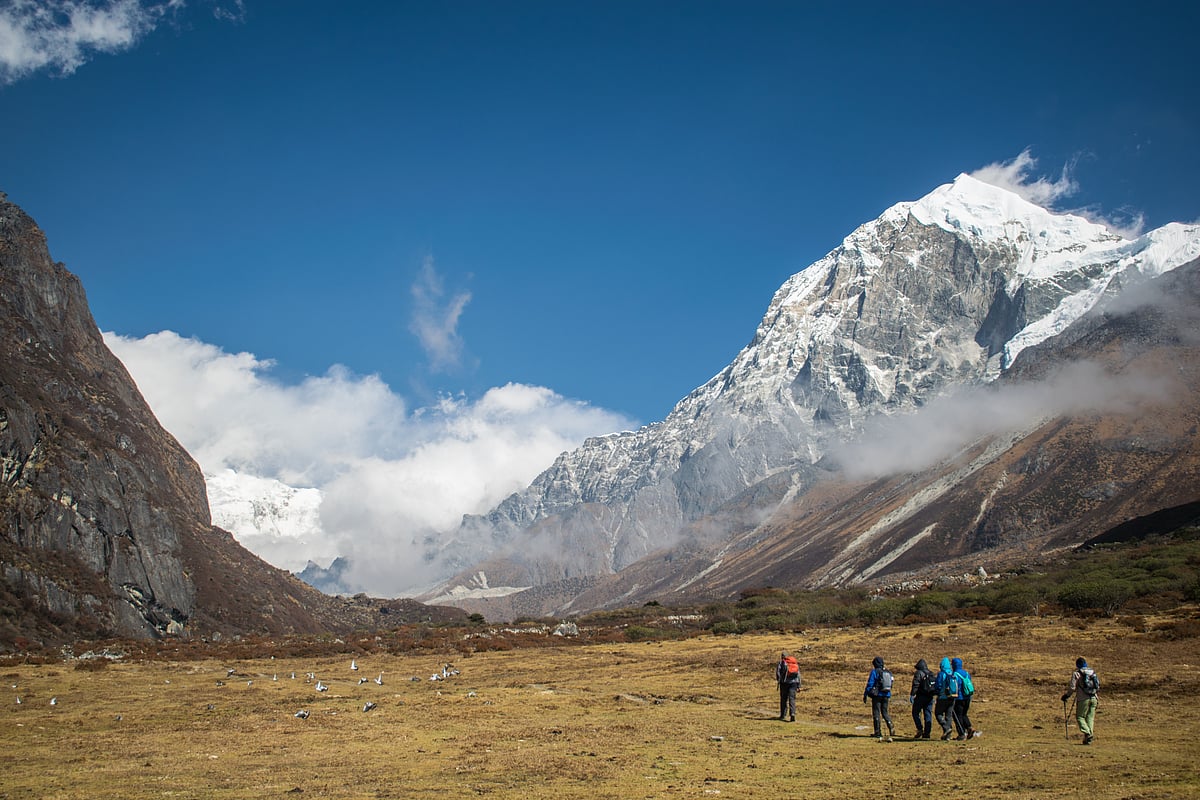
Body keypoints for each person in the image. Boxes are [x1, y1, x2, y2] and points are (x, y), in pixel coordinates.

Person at [1061, 657, 1100, 745]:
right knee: (1090, 718)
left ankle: (1087, 733)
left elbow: (1072, 687)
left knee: (1080, 717)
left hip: (1083, 698)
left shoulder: (1076, 673)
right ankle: (1088, 738)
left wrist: (1066, 696)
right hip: (1094, 698)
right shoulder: (1092, 672)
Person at [862, 656, 895, 742]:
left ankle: (877, 731)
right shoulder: (888, 672)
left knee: (876, 712)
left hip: (877, 695)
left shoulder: (874, 672)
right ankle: (890, 725)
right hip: (886, 694)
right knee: (884, 712)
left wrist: (866, 694)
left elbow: (870, 684)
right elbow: (891, 683)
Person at [909, 659, 936, 739]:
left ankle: (919, 728)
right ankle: (927, 733)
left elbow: (916, 684)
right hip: (930, 696)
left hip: (920, 696)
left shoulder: (918, 673)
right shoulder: (931, 673)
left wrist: (912, 694)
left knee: (915, 712)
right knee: (928, 714)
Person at [951, 657, 977, 739]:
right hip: (967, 697)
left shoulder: (954, 674)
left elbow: (954, 687)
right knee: (964, 714)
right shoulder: (966, 673)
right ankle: (969, 727)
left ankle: (961, 733)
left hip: (959, 698)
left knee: (957, 716)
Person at [934, 656, 960, 740]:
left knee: (938, 714)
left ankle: (946, 728)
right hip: (952, 697)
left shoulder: (941, 674)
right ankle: (948, 735)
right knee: (948, 716)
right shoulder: (952, 673)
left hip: (942, 697)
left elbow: (938, 686)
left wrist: (937, 692)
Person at [776, 651, 800, 722]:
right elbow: (798, 674)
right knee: (792, 699)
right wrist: (799, 685)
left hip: (784, 683)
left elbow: (778, 672)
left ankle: (783, 715)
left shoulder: (782, 662)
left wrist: (779, 680)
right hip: (794, 683)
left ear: (782, 656)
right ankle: (792, 713)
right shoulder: (794, 662)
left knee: (784, 699)